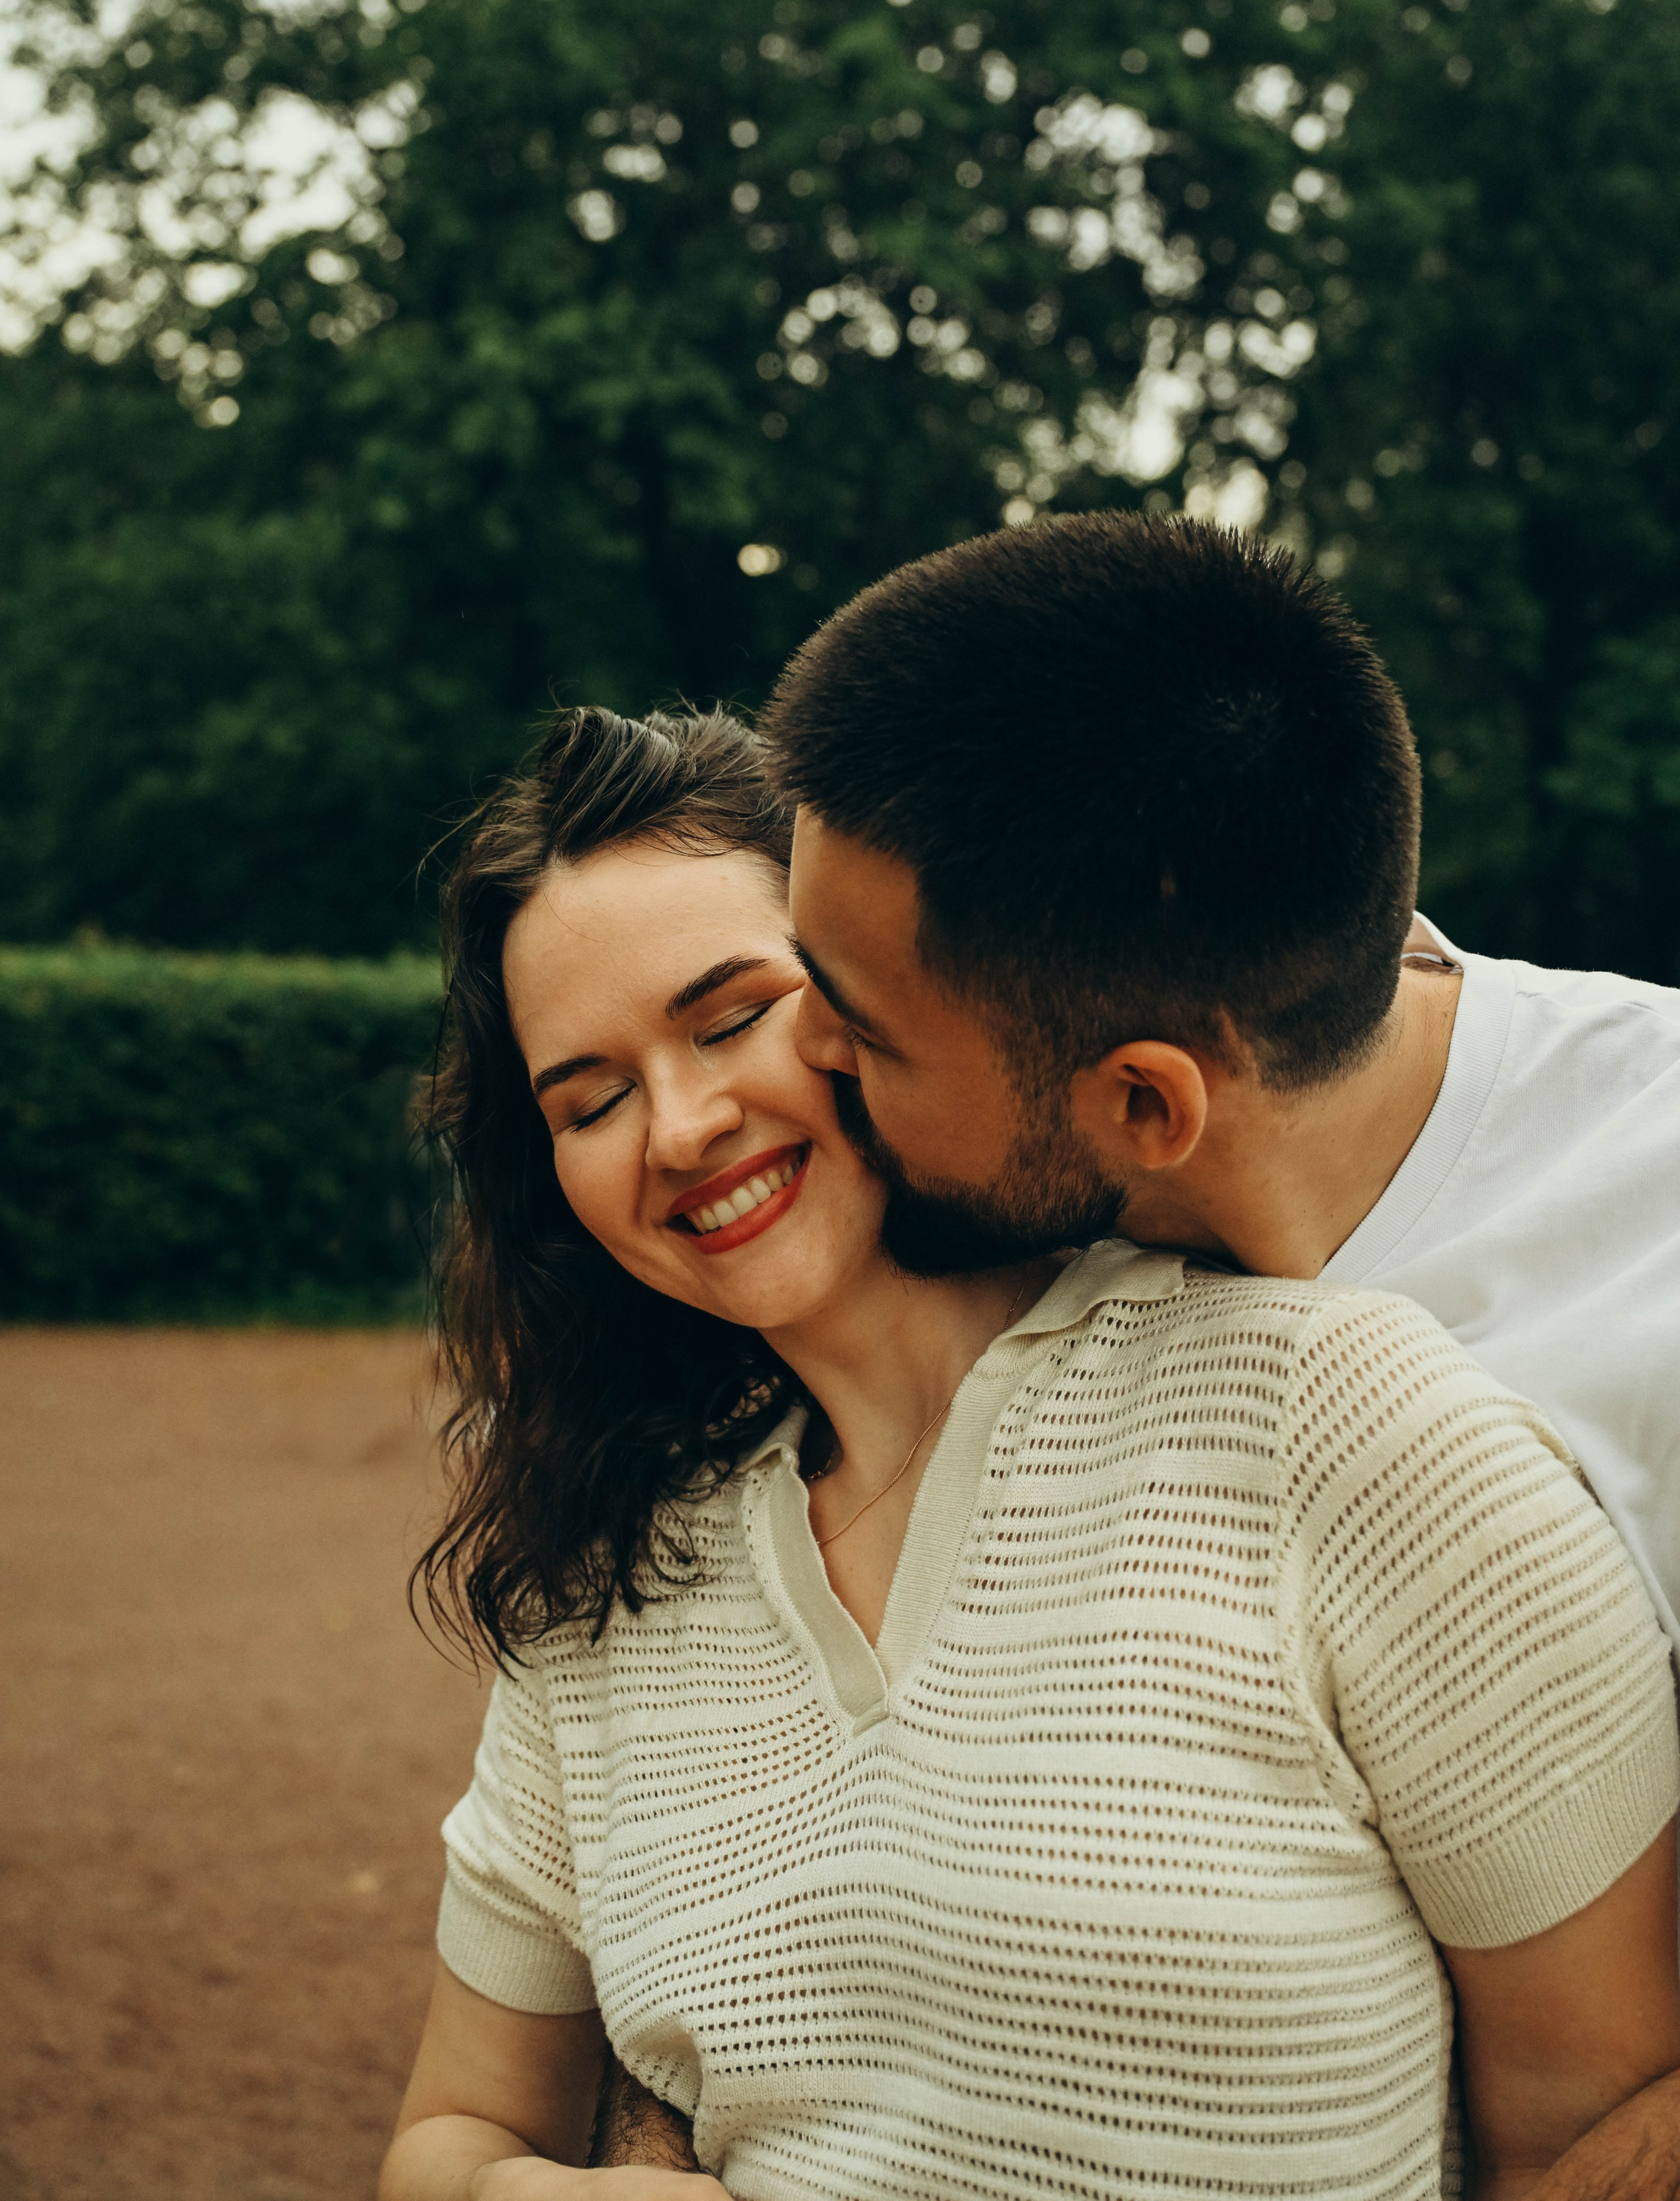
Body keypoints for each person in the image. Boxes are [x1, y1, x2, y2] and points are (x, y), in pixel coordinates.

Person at [381, 699, 1680, 2201]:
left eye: (730, 1018)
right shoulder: (598, 1583)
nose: (675, 1128)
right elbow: (448, 2135)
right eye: (590, 1101)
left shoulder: (1339, 1417)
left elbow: (1586, 2128)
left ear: (887, 994)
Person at [755, 507, 1680, 2196]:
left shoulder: (1654, 1251)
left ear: (1143, 1106)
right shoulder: (1048, 1134)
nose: (798, 1043)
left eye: (861, 1022)